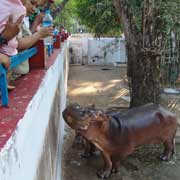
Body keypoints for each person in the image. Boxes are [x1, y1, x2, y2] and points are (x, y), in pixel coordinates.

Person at [13, 0, 53, 75]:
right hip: (13, 73)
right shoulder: (13, 15)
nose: (34, 9)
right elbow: (16, 45)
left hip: (19, 72)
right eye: (32, 3)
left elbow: (27, 37)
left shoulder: (24, 17)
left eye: (37, 6)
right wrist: (39, 34)